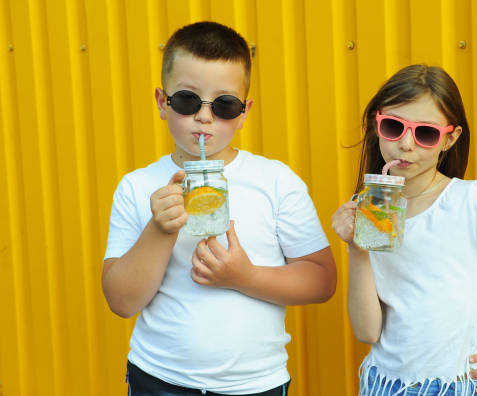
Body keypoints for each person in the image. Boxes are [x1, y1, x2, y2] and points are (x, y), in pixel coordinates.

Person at [102, 21, 336, 396]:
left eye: (224, 104)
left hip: (255, 385)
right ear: (163, 103)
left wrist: (244, 277)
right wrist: (159, 232)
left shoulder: (276, 181)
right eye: (187, 100)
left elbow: (322, 281)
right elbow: (122, 301)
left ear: (243, 112)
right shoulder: (137, 186)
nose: (205, 117)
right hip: (160, 379)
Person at [331, 64, 477, 396]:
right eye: (393, 126)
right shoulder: (370, 208)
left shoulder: (471, 201)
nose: (406, 144)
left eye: (425, 133)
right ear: (378, 123)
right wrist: (357, 249)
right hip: (384, 384)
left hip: (457, 386)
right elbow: (368, 332)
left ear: (450, 139)